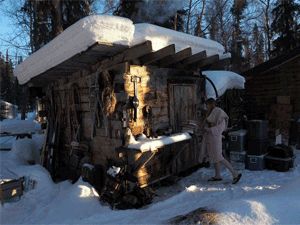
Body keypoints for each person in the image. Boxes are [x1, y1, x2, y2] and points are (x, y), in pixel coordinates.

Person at [202, 98, 242, 184]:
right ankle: (217, 176)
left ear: (211, 104)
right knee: (215, 157)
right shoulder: (210, 113)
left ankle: (235, 174)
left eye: (207, 105)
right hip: (211, 138)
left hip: (215, 138)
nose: (206, 107)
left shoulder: (219, 113)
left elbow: (220, 128)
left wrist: (208, 129)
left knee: (219, 157)